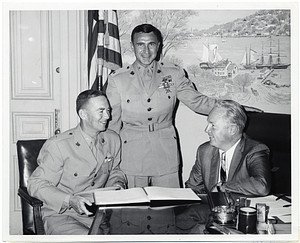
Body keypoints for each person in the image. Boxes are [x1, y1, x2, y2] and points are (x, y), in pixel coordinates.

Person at [106, 23, 261, 189]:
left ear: (158, 46)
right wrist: (110, 156)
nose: (146, 51)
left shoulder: (173, 73)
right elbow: (112, 124)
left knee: (170, 207)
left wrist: (236, 107)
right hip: (131, 154)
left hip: (165, 153)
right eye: (140, 45)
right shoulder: (118, 79)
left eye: (151, 44)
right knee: (132, 209)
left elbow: (198, 101)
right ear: (132, 46)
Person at [27, 89, 127, 235]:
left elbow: (115, 171)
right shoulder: (59, 145)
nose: (108, 116)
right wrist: (70, 200)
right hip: (62, 215)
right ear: (83, 114)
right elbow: (35, 184)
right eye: (101, 111)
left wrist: (117, 185)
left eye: (108, 110)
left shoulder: (112, 139)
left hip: (99, 215)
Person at [185, 99, 272, 196]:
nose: (206, 130)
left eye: (213, 126)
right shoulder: (204, 151)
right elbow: (193, 189)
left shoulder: (254, 150)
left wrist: (222, 187)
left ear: (232, 129)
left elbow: (262, 186)